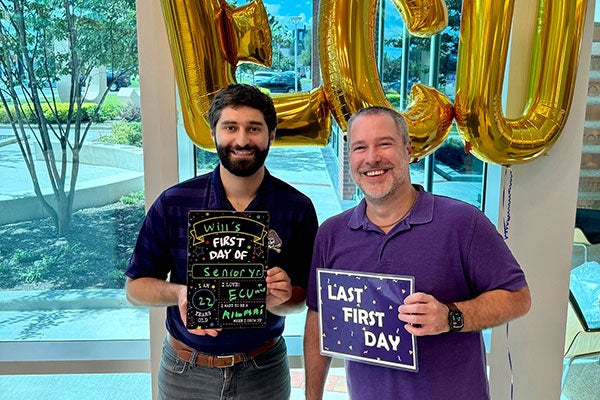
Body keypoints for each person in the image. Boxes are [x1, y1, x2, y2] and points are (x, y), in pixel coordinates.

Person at [303, 106, 531, 399]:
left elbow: (518, 297)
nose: (372, 158)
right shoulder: (332, 233)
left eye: (384, 143)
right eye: (360, 147)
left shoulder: (462, 222)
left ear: (408, 151)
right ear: (350, 159)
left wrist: (450, 316)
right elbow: (319, 316)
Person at [125, 83, 318, 399]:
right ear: (213, 134)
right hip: (185, 371)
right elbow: (135, 288)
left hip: (264, 371)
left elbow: (303, 298)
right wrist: (180, 293)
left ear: (271, 135)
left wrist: (283, 297)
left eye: (254, 128)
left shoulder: (296, 207)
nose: (242, 140)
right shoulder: (174, 202)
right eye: (231, 127)